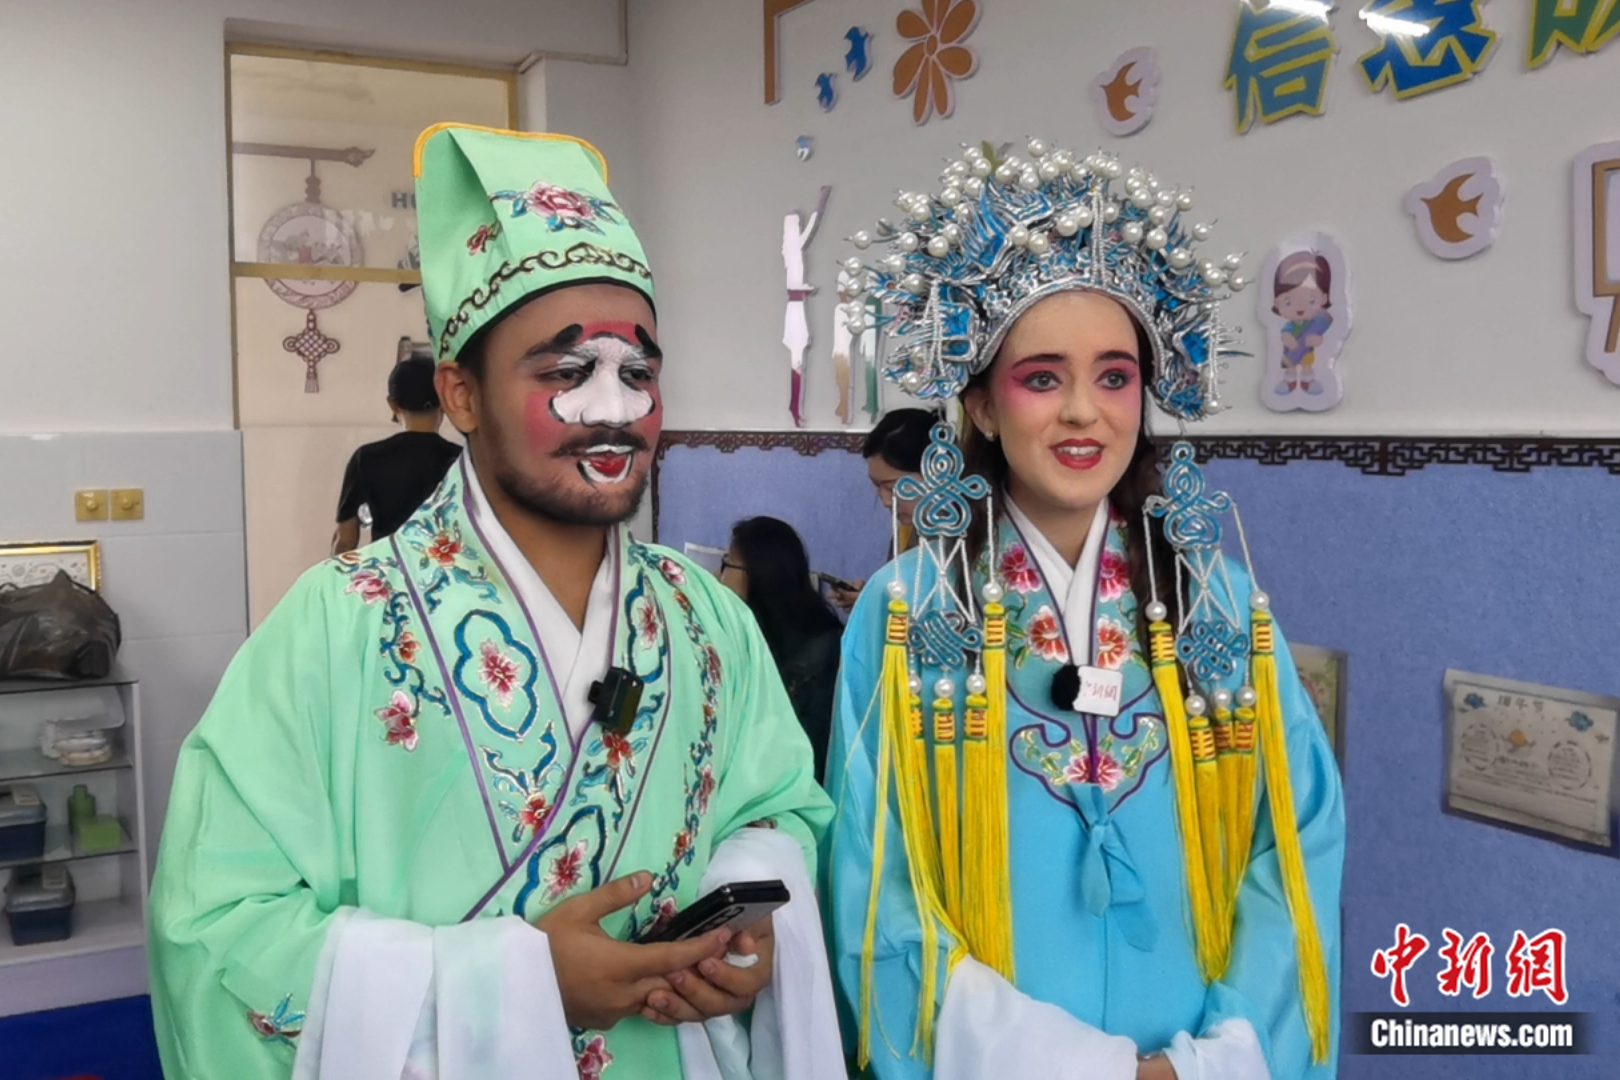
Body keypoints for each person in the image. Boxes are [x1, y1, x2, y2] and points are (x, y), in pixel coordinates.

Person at [149, 125, 843, 1080]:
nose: (614, 410)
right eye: (565, 373)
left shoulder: (705, 617)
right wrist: (514, 985)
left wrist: (745, 923)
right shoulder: (337, 623)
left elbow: (778, 809)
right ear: (461, 396)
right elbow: (217, 924)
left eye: (639, 374)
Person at [826, 139, 1344, 1080]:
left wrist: (1215, 1059)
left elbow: (1294, 846)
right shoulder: (909, 615)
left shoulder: (1216, 602)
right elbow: (876, 882)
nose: (1082, 412)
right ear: (982, 406)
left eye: (1114, 377)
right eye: (1041, 378)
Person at [718, 517, 844, 782]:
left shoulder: (821, 649)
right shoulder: (739, 633)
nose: (719, 577)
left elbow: (812, 752)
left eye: (727, 563)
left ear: (757, 575)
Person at [332, 351, 462, 553]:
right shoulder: (462, 460)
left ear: (393, 404)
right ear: (444, 400)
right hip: (444, 568)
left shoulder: (366, 458)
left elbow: (346, 541)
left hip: (388, 567)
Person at [828, 407, 934, 610]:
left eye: (893, 488)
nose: (886, 501)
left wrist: (874, 600)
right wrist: (869, 596)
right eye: (877, 486)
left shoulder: (963, 539)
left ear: (937, 473)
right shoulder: (907, 530)